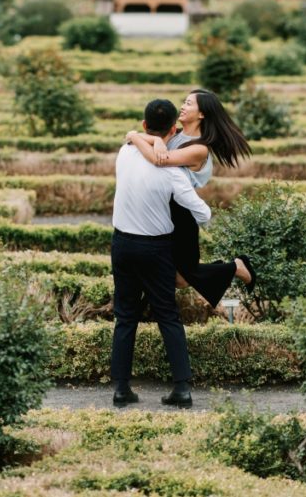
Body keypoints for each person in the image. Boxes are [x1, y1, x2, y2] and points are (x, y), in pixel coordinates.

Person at [110, 98, 212, 409]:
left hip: (122, 244)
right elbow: (203, 212)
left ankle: (121, 389)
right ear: (173, 129)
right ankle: (181, 388)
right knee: (168, 315)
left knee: (125, 317)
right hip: (156, 250)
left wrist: (138, 137)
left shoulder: (124, 153)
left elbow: (133, 139)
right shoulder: (172, 172)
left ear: (144, 126)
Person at [126, 89, 256, 307]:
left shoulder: (199, 148)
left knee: (183, 278)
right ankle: (147, 309)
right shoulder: (175, 135)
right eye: (183, 102)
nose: (183, 107)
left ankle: (235, 266)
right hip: (163, 208)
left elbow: (160, 160)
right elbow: (154, 142)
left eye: (188, 103)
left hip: (181, 214)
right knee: (171, 272)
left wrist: (133, 136)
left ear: (202, 114)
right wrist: (154, 141)